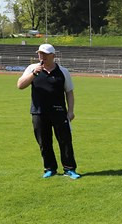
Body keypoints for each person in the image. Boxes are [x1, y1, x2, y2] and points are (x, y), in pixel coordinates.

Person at [16, 43, 80, 179]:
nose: (41, 56)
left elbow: (69, 92)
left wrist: (71, 111)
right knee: (44, 142)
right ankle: (50, 168)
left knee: (65, 141)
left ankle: (69, 169)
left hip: (59, 111)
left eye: (45, 54)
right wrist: (34, 74)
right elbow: (20, 85)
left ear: (53, 56)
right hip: (38, 111)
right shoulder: (32, 68)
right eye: (40, 53)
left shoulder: (63, 71)